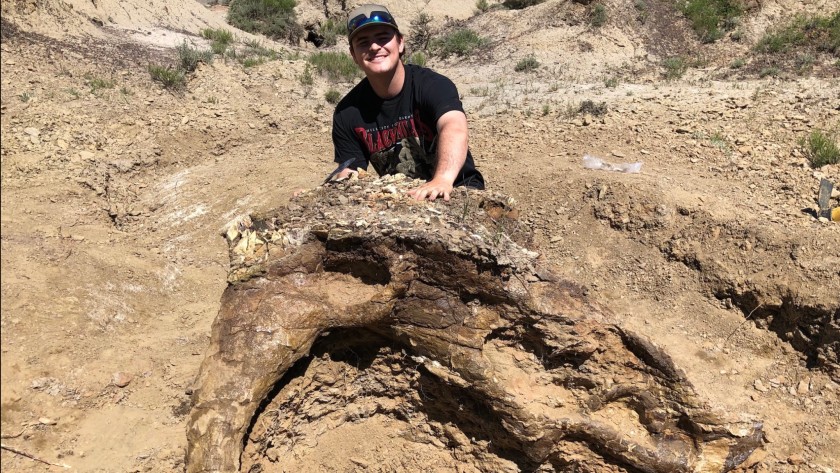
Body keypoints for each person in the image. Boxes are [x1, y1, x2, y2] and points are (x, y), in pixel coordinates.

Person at [330, 3, 484, 201]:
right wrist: (320, 194)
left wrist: (442, 179)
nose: (375, 46)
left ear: (400, 43)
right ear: (353, 55)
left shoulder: (431, 85)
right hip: (403, 200)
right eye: (363, 42)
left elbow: (454, 126)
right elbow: (351, 171)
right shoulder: (347, 113)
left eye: (383, 37)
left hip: (456, 189)